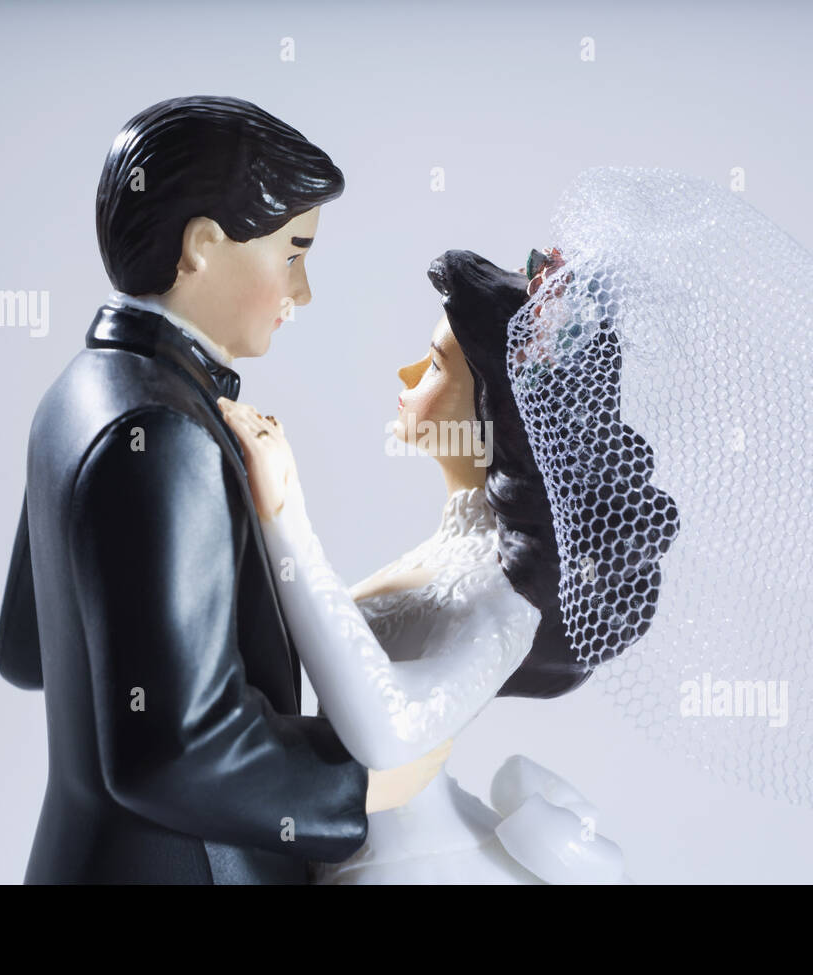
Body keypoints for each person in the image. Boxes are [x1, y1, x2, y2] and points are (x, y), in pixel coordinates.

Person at [0, 95, 448, 885]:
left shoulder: (73, 392)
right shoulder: (161, 433)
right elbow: (175, 750)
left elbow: (29, 648)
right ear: (202, 245)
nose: (302, 293)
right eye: (293, 253)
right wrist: (364, 782)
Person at [218, 247, 679, 883]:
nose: (406, 373)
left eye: (434, 365)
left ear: (491, 409)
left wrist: (286, 520)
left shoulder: (505, 590)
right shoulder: (452, 547)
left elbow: (392, 732)